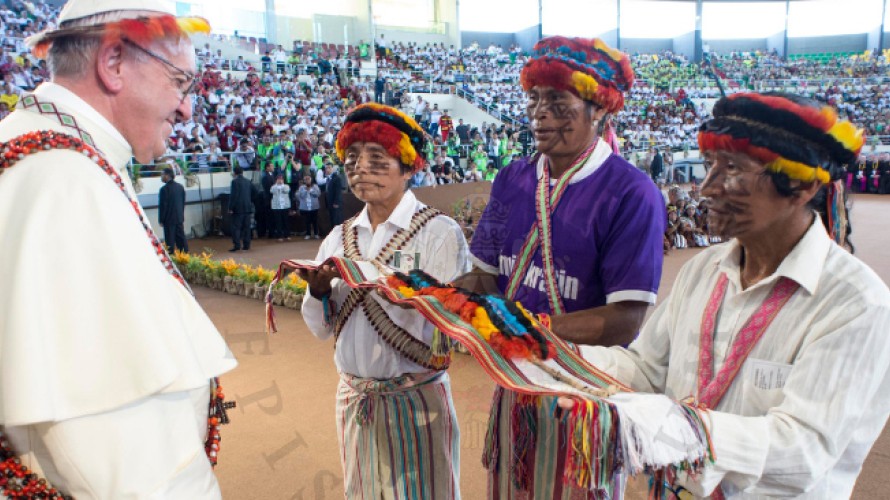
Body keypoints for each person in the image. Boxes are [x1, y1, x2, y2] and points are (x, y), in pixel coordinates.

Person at [574, 92, 890, 498]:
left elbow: (803, 449)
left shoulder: (856, 304)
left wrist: (676, 426)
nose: (707, 187)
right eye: (710, 167)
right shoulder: (704, 270)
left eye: (733, 171)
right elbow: (646, 371)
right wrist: (550, 354)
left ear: (802, 186)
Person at [0, 1, 237, 497]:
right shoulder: (66, 180)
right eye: (180, 82)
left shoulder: (58, 152)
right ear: (112, 63)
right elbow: (123, 462)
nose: (187, 108)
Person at [453, 36, 665, 499]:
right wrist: (439, 297)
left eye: (557, 101)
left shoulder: (632, 193)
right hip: (514, 385)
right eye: (534, 99)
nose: (540, 113)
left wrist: (532, 330)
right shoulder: (512, 179)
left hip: (583, 395)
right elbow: (486, 274)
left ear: (599, 110)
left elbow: (625, 320)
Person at [298, 103, 470, 499]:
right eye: (352, 159)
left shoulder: (439, 233)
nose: (360, 169)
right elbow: (322, 330)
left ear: (408, 168)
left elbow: (452, 323)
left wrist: (389, 286)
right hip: (356, 402)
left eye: (377, 159)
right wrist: (319, 291)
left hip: (418, 402)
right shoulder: (338, 238)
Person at [158, 167, 188, 252]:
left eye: (162, 175)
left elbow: (163, 206)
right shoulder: (180, 187)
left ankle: (171, 258)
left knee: (170, 241)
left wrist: (161, 219)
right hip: (179, 217)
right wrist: (181, 215)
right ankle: (185, 255)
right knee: (181, 238)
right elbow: (183, 202)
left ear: (167, 176)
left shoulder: (164, 189)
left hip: (168, 219)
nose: (161, 177)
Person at [228, 165, 257, 251]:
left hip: (238, 209)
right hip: (247, 207)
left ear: (234, 173)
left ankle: (237, 245)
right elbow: (255, 192)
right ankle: (246, 245)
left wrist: (230, 208)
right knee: (246, 228)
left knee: (236, 228)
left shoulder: (234, 182)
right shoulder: (248, 181)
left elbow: (234, 196)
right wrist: (249, 200)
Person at [297, 173, 320, 239]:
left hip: (314, 207)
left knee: (315, 221)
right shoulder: (301, 187)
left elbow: (318, 194)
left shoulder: (315, 186)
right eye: (305, 179)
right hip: (305, 207)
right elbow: (300, 196)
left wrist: (311, 190)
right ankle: (308, 234)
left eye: (308, 179)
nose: (307, 180)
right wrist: (306, 190)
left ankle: (316, 234)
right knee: (307, 221)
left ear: (311, 179)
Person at [270, 173, 291, 241]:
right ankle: (280, 236)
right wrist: (277, 185)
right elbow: (272, 191)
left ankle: (287, 235)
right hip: (276, 207)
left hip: (285, 206)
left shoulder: (286, 186)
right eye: (279, 179)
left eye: (281, 179)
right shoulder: (273, 186)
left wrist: (281, 185)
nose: (280, 180)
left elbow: (286, 190)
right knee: (278, 222)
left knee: (286, 221)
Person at [324, 162, 343, 227]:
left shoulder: (337, 178)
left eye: (329, 168)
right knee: (332, 220)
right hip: (330, 202)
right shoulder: (328, 178)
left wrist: (336, 202)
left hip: (335, 203)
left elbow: (338, 192)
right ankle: (334, 235)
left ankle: (338, 236)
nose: (327, 169)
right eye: (326, 168)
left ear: (333, 169)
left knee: (336, 220)